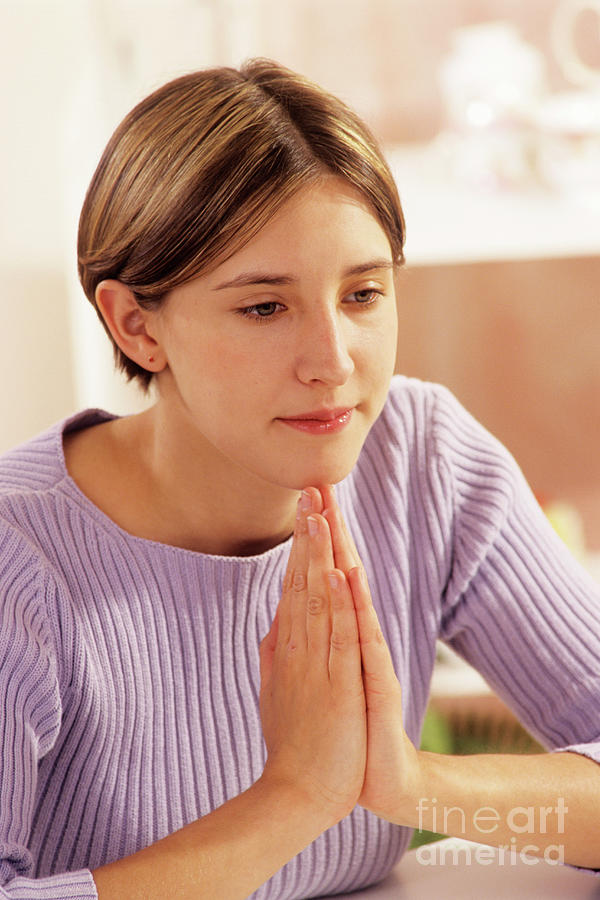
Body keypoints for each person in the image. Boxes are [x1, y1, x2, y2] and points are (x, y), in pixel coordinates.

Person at [1, 58, 599, 900]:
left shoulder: (420, 458)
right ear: (137, 326)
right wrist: (295, 798)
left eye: (362, 294)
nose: (334, 363)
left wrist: (410, 783)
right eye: (264, 307)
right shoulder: (18, 558)